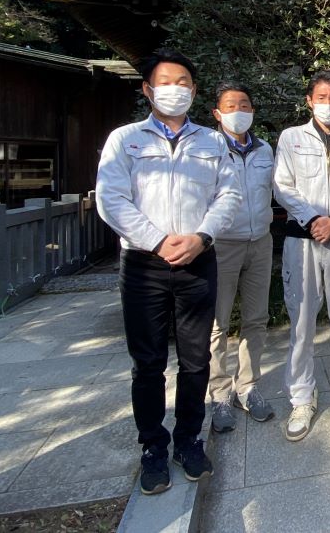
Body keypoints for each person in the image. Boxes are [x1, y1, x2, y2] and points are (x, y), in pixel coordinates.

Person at [96, 49, 240, 495]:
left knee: (196, 359)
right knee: (148, 363)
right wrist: (157, 240)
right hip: (144, 265)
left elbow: (230, 196)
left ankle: (188, 439)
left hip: (198, 260)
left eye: (183, 82)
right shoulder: (125, 139)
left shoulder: (212, 142)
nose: (174, 89)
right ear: (147, 89)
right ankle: (152, 446)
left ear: (194, 91)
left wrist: (201, 237)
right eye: (166, 81)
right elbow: (111, 198)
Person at [272, 71, 330, 441]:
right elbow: (282, 186)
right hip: (304, 241)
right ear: (309, 101)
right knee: (301, 323)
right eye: (321, 97)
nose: (328, 103)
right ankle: (301, 397)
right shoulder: (291, 138)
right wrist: (314, 219)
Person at [207, 82, 276, 433]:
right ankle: (219, 393)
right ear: (217, 113)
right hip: (221, 245)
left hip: (260, 241)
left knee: (256, 319)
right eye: (231, 105)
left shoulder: (265, 150)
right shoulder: (206, 149)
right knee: (217, 324)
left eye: (245, 104)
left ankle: (247, 387)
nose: (239, 110)